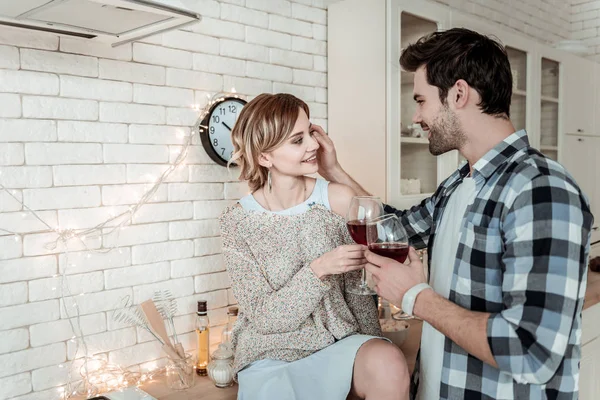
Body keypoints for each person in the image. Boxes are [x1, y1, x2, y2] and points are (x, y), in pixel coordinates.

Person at [312, 28, 594, 399]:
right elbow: (394, 228)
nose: (416, 116)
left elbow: (531, 352)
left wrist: (415, 296)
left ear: (458, 94)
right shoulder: (460, 182)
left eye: (421, 100)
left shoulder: (540, 188)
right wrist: (334, 173)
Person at [219, 93, 410, 400]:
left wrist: (373, 343)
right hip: (270, 352)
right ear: (265, 157)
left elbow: (359, 288)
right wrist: (319, 269)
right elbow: (265, 318)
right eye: (298, 140)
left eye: (310, 132)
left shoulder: (336, 199)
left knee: (387, 363)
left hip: (339, 342)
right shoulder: (237, 222)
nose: (312, 145)